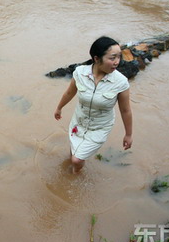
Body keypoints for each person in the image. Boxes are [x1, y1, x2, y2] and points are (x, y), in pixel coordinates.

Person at [54, 36, 133, 173]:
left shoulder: (121, 82)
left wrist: (128, 134)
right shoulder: (80, 73)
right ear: (96, 59)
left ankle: (75, 175)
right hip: (79, 121)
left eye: (119, 57)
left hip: (99, 127)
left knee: (76, 160)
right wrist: (59, 108)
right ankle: (73, 163)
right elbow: (69, 93)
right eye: (112, 58)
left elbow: (126, 111)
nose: (117, 62)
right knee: (73, 151)